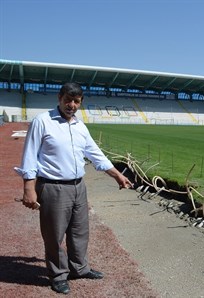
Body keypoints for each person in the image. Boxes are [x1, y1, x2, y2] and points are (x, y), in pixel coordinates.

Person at [15, 82, 133, 294]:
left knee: (80, 232)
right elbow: (30, 156)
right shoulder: (42, 121)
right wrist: (28, 189)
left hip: (79, 186)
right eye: (67, 100)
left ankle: (79, 268)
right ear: (59, 98)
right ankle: (58, 275)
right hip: (53, 187)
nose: (71, 105)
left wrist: (117, 175)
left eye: (76, 101)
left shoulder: (80, 126)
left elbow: (95, 153)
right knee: (54, 235)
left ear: (81, 103)